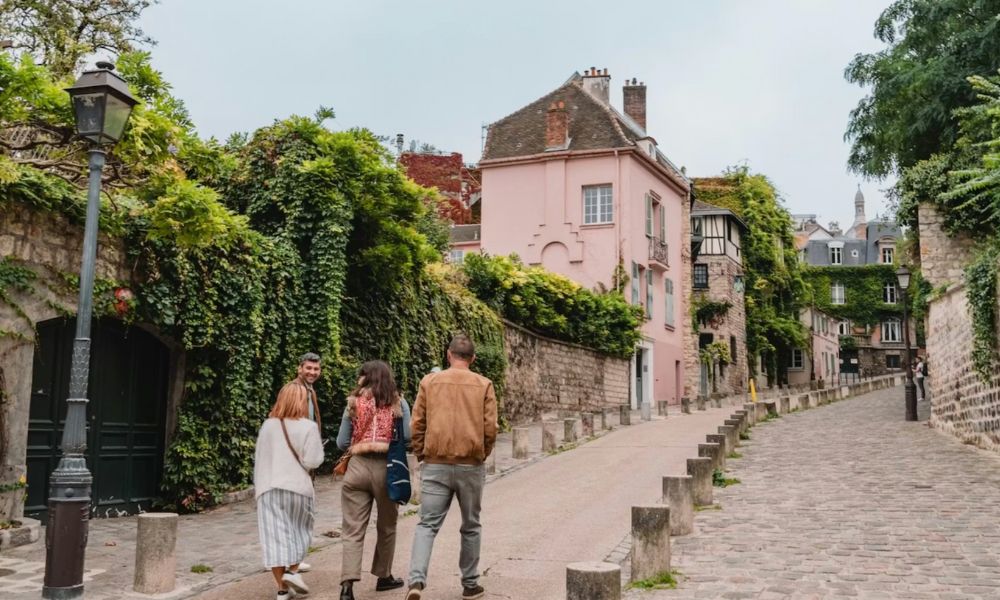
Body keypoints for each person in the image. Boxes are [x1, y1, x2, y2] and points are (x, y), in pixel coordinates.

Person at [406, 335, 498, 600]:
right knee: (471, 525)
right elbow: (490, 427)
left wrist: (423, 453)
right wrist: (481, 453)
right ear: (473, 359)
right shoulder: (484, 384)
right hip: (470, 464)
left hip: (436, 462)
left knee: (426, 525)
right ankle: (470, 584)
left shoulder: (429, 382)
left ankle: (416, 581)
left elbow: (417, 422)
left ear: (448, 355)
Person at [336, 360, 411, 600]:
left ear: (365, 377)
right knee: (387, 525)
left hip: (357, 467)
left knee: (353, 529)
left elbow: (340, 442)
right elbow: (407, 436)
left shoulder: (352, 403)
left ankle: (347, 585)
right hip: (386, 467)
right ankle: (383, 576)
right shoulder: (399, 401)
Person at [254, 383, 325, 600]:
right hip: (298, 488)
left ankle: (282, 589)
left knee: (274, 538)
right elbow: (314, 461)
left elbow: (259, 458)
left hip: (268, 487)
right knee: (299, 532)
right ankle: (292, 572)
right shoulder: (308, 427)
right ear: (302, 401)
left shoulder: (267, 426)